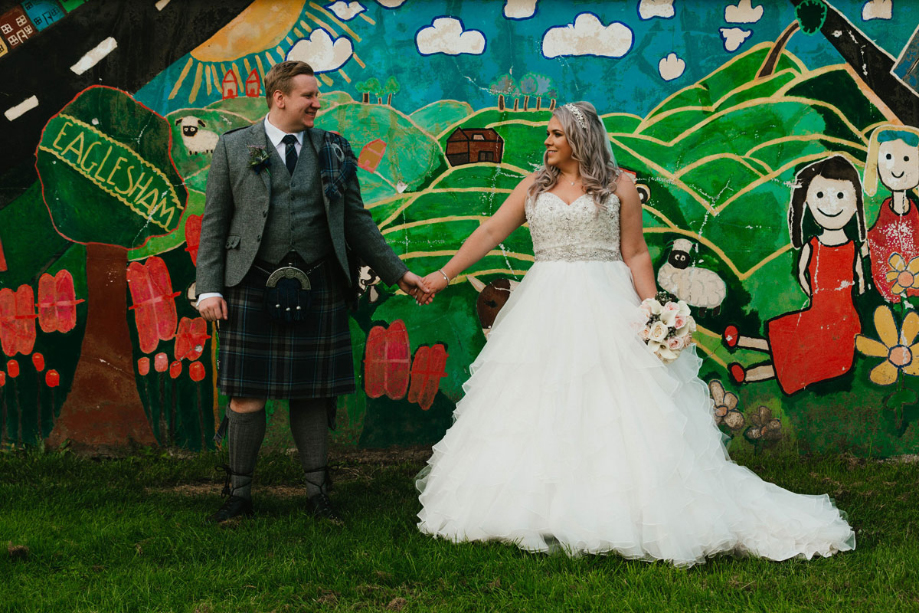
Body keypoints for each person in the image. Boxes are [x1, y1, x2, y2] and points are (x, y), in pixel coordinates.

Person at [413, 101, 855, 566]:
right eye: (548, 134)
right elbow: (488, 234)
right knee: (535, 399)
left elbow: (637, 253)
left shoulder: (618, 186)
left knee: (615, 405)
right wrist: (441, 276)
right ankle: (536, 506)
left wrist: (652, 312)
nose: (547, 141)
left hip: (606, 302)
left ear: (581, 140)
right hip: (543, 306)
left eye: (556, 134)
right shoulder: (531, 188)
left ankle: (614, 505)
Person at [196, 61, 428, 523]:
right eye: (308, 95)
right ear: (279, 98)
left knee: (313, 393)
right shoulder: (234, 147)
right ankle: (238, 494)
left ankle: (318, 494)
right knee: (245, 396)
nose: (316, 103)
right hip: (250, 283)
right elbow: (215, 223)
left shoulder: (335, 149)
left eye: (316, 96)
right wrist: (208, 289)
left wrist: (398, 273)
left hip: (318, 281)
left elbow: (357, 220)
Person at [723, 156, 866, 394]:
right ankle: (742, 347)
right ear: (807, 201)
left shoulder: (852, 248)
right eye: (820, 195)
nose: (831, 204)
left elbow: (860, 278)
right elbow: (802, 273)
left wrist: (852, 294)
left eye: (841, 196)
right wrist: (813, 293)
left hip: (841, 322)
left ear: (855, 202)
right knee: (789, 343)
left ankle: (745, 366)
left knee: (795, 356)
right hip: (819, 311)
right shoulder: (813, 245)